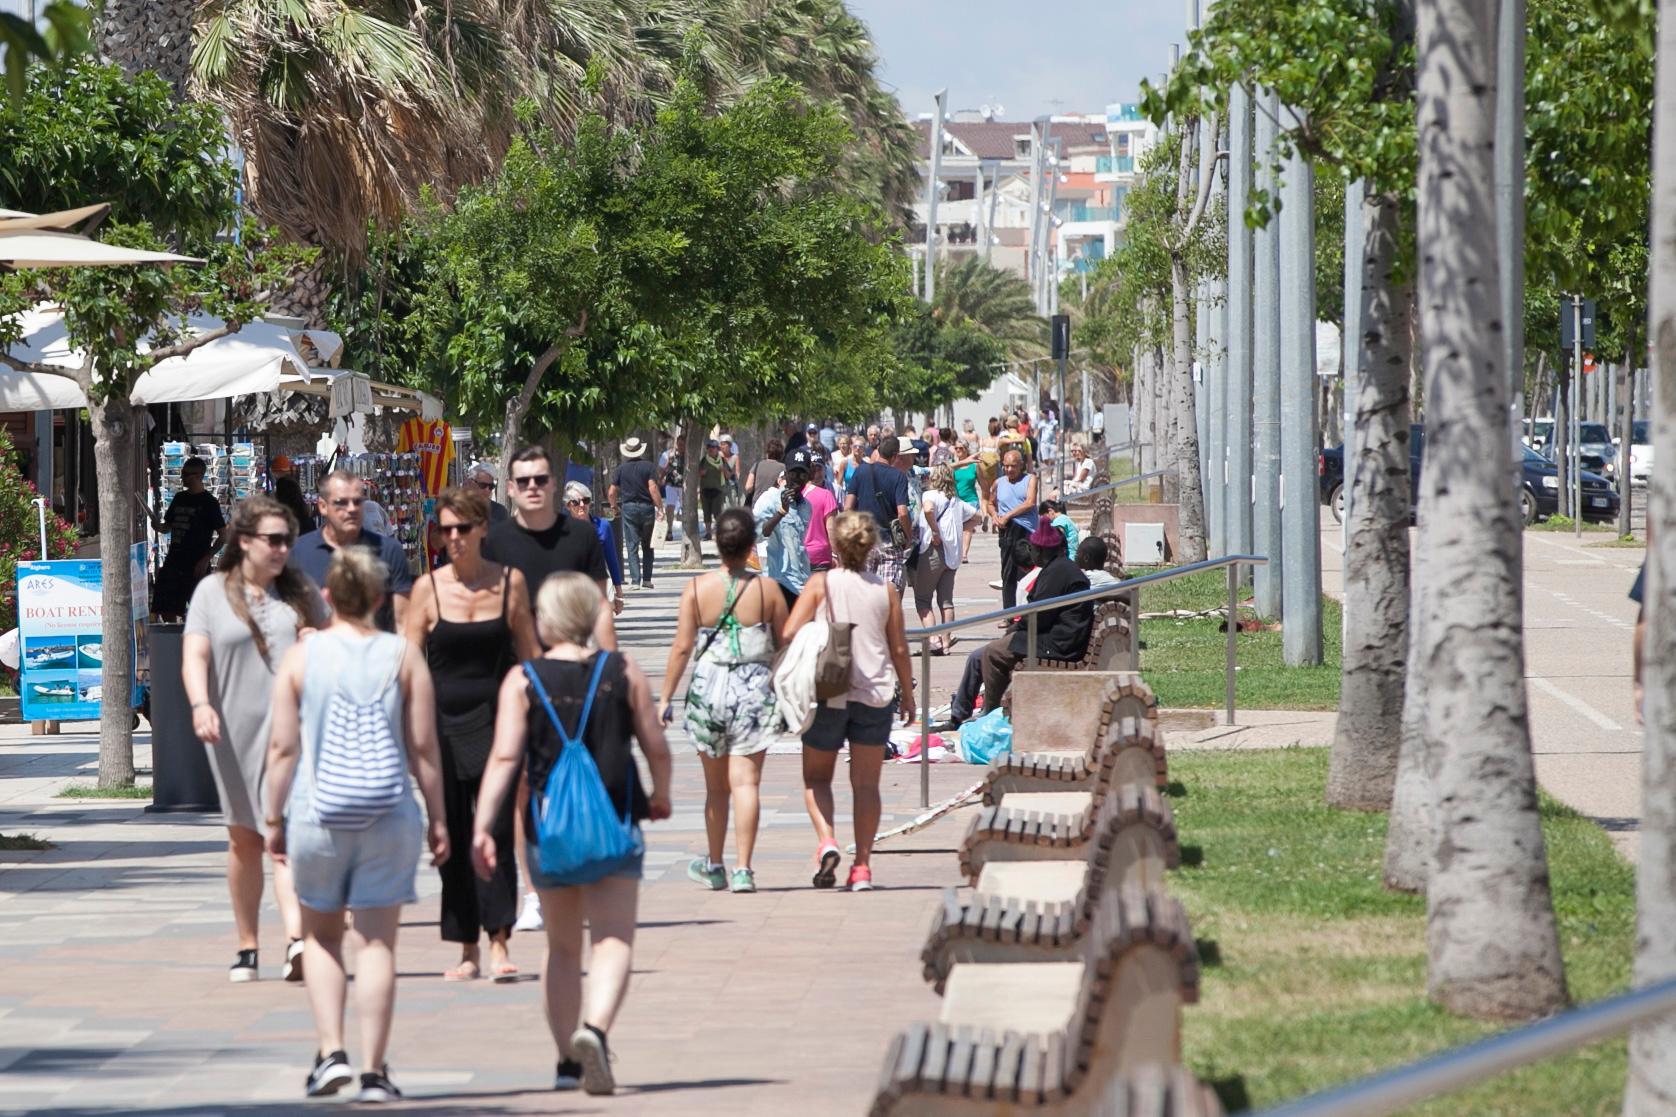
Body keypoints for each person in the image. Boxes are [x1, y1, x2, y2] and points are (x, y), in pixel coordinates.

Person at [472, 573, 674, 1096]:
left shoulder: (523, 680)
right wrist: (661, 793)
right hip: (615, 821)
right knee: (612, 939)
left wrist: (484, 825)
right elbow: (655, 743)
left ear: (543, 620)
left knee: (562, 949)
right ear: (591, 617)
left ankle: (566, 1060)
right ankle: (596, 1029)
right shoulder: (621, 669)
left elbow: (503, 758)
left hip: (548, 830)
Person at [265, 547, 449, 1103]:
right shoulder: (402, 655)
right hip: (389, 811)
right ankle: (375, 1071)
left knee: (321, 937)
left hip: (319, 813)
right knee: (377, 944)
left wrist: (273, 817)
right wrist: (439, 818)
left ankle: (331, 1053)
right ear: (376, 598)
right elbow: (423, 748)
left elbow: (281, 748)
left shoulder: (302, 657)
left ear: (327, 598)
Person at [183, 495, 327, 984]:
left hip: (293, 734)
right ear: (244, 542)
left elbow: (338, 644)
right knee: (244, 838)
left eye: (287, 539)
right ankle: (247, 945)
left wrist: (318, 643)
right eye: (273, 540)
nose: (284, 548)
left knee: (281, 835)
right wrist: (201, 704)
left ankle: (295, 939)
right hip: (231, 732)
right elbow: (195, 655)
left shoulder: (301, 591)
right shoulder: (211, 592)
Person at [404, 485, 539, 984]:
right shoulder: (429, 589)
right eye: (446, 530)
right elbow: (409, 665)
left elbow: (529, 657)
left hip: (499, 724)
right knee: (455, 836)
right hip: (441, 728)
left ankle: (500, 939)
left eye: (464, 529)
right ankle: (466, 947)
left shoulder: (510, 584)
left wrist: (543, 715)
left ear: (484, 529)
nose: (454, 538)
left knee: (498, 831)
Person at [784, 513, 916, 892]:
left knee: (816, 778)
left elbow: (790, 632)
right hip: (875, 693)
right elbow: (900, 648)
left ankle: (827, 839)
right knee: (866, 785)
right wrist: (907, 695)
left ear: (837, 547)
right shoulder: (885, 590)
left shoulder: (819, 583)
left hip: (830, 690)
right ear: (870, 546)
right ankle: (862, 867)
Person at [658, 510, 787, 894]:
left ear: (716, 542)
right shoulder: (767, 591)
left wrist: (665, 696)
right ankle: (744, 869)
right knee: (747, 782)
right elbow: (784, 643)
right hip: (752, 687)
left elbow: (682, 647)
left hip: (708, 687)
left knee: (716, 789)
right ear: (751, 547)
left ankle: (715, 864)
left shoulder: (697, 589)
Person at [944, 521, 1092, 727]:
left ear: (1040, 550)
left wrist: (1016, 628)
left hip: (1056, 643)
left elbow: (1039, 616)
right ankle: (963, 714)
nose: (1031, 554)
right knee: (980, 655)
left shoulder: (1058, 571)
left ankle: (993, 715)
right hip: (1050, 635)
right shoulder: (1056, 568)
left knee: (991, 654)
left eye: (1033, 549)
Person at [482, 447, 615, 650]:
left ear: (553, 484)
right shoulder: (494, 541)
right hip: (514, 664)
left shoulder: (583, 536)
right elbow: (487, 608)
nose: (532, 486)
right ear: (510, 488)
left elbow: (600, 605)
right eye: (523, 481)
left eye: (541, 479)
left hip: (573, 659)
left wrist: (608, 662)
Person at [292, 471, 413, 632]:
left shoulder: (389, 551)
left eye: (357, 502)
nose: (351, 509)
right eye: (341, 502)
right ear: (322, 506)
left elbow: (403, 621)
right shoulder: (298, 552)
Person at [914, 464, 981, 655]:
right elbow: (978, 517)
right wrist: (961, 525)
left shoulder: (930, 495)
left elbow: (928, 510)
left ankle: (933, 639)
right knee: (946, 602)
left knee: (923, 599)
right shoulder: (956, 502)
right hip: (952, 556)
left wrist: (935, 530)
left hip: (933, 552)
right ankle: (945, 643)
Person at [151, 456, 227, 621]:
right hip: (174, 559)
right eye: (182, 473)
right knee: (166, 607)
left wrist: (206, 558)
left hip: (196, 563)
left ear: (199, 475)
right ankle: (174, 639)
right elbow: (168, 526)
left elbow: (223, 535)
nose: (182, 478)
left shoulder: (209, 503)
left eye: (186, 474)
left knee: (200, 612)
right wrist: (159, 527)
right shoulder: (179, 497)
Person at [844, 435, 912, 592]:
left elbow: (848, 507)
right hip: (889, 542)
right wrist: (907, 537)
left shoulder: (860, 470)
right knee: (889, 593)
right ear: (895, 455)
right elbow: (902, 512)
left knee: (863, 590)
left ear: (878, 450)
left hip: (864, 541)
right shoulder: (899, 477)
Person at [752, 447, 814, 608]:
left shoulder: (806, 506)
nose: (797, 479)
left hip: (801, 582)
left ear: (809, 476)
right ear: (785, 474)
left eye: (802, 474)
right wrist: (781, 512)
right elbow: (757, 534)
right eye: (793, 474)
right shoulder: (770, 499)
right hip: (779, 582)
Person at [608, 438, 662, 590]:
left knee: (632, 545)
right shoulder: (649, 467)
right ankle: (647, 579)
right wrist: (660, 508)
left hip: (629, 508)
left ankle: (635, 581)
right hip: (646, 508)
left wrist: (614, 507)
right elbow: (653, 488)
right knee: (648, 545)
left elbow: (611, 492)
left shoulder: (621, 469)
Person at [565, 482, 625, 617]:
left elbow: (612, 561)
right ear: (568, 505)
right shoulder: (561, 530)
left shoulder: (603, 526)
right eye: (575, 502)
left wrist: (619, 594)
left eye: (585, 501)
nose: (581, 505)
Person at [993, 450, 1039, 608]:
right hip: (1007, 531)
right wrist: (995, 515)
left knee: (1029, 569)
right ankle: (1009, 614)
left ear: (1021, 466)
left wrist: (1008, 515)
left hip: (1026, 530)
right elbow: (989, 502)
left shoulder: (1030, 479)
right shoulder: (999, 482)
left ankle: (1029, 609)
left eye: (1013, 466)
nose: (1009, 470)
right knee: (1008, 572)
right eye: (1006, 466)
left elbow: (1030, 502)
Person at [802, 452, 840, 572]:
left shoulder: (797, 493)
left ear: (824, 470)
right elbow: (831, 529)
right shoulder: (826, 495)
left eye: (819, 469)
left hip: (801, 555)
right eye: (813, 470)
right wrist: (835, 555)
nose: (816, 474)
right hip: (820, 556)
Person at [953, 442, 982, 562]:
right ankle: (956, 553)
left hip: (971, 500)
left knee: (967, 528)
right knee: (957, 528)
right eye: (956, 448)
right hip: (956, 501)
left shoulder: (974, 466)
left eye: (961, 448)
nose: (958, 450)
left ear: (966, 450)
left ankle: (964, 555)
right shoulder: (953, 466)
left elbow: (982, 483)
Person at [698, 438, 728, 538]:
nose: (710, 449)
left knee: (717, 513)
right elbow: (698, 473)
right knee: (706, 513)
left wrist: (723, 470)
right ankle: (708, 533)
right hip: (705, 489)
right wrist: (702, 473)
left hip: (718, 490)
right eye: (709, 447)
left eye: (713, 447)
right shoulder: (704, 460)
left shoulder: (722, 460)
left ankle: (719, 532)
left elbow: (728, 475)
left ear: (717, 449)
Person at [657, 433, 683, 541]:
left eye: (683, 444)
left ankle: (687, 531)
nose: (681, 446)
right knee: (670, 507)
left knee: (685, 507)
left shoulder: (690, 455)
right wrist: (660, 478)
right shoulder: (668, 454)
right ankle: (669, 530)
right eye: (680, 443)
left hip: (684, 485)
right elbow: (660, 469)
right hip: (671, 484)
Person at [744, 439, 785, 506]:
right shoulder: (783, 468)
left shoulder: (757, 465)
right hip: (774, 504)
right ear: (781, 454)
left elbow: (748, 487)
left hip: (757, 504)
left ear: (767, 452)